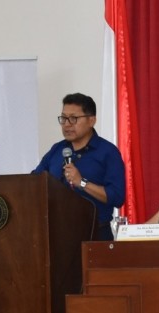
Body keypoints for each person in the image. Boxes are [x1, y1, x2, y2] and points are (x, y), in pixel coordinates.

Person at [33, 92, 126, 241]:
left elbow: (117, 197)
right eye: (63, 118)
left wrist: (82, 182)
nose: (67, 124)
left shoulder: (108, 152)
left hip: (95, 234)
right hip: (57, 235)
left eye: (73, 118)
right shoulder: (57, 150)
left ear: (91, 120)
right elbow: (35, 182)